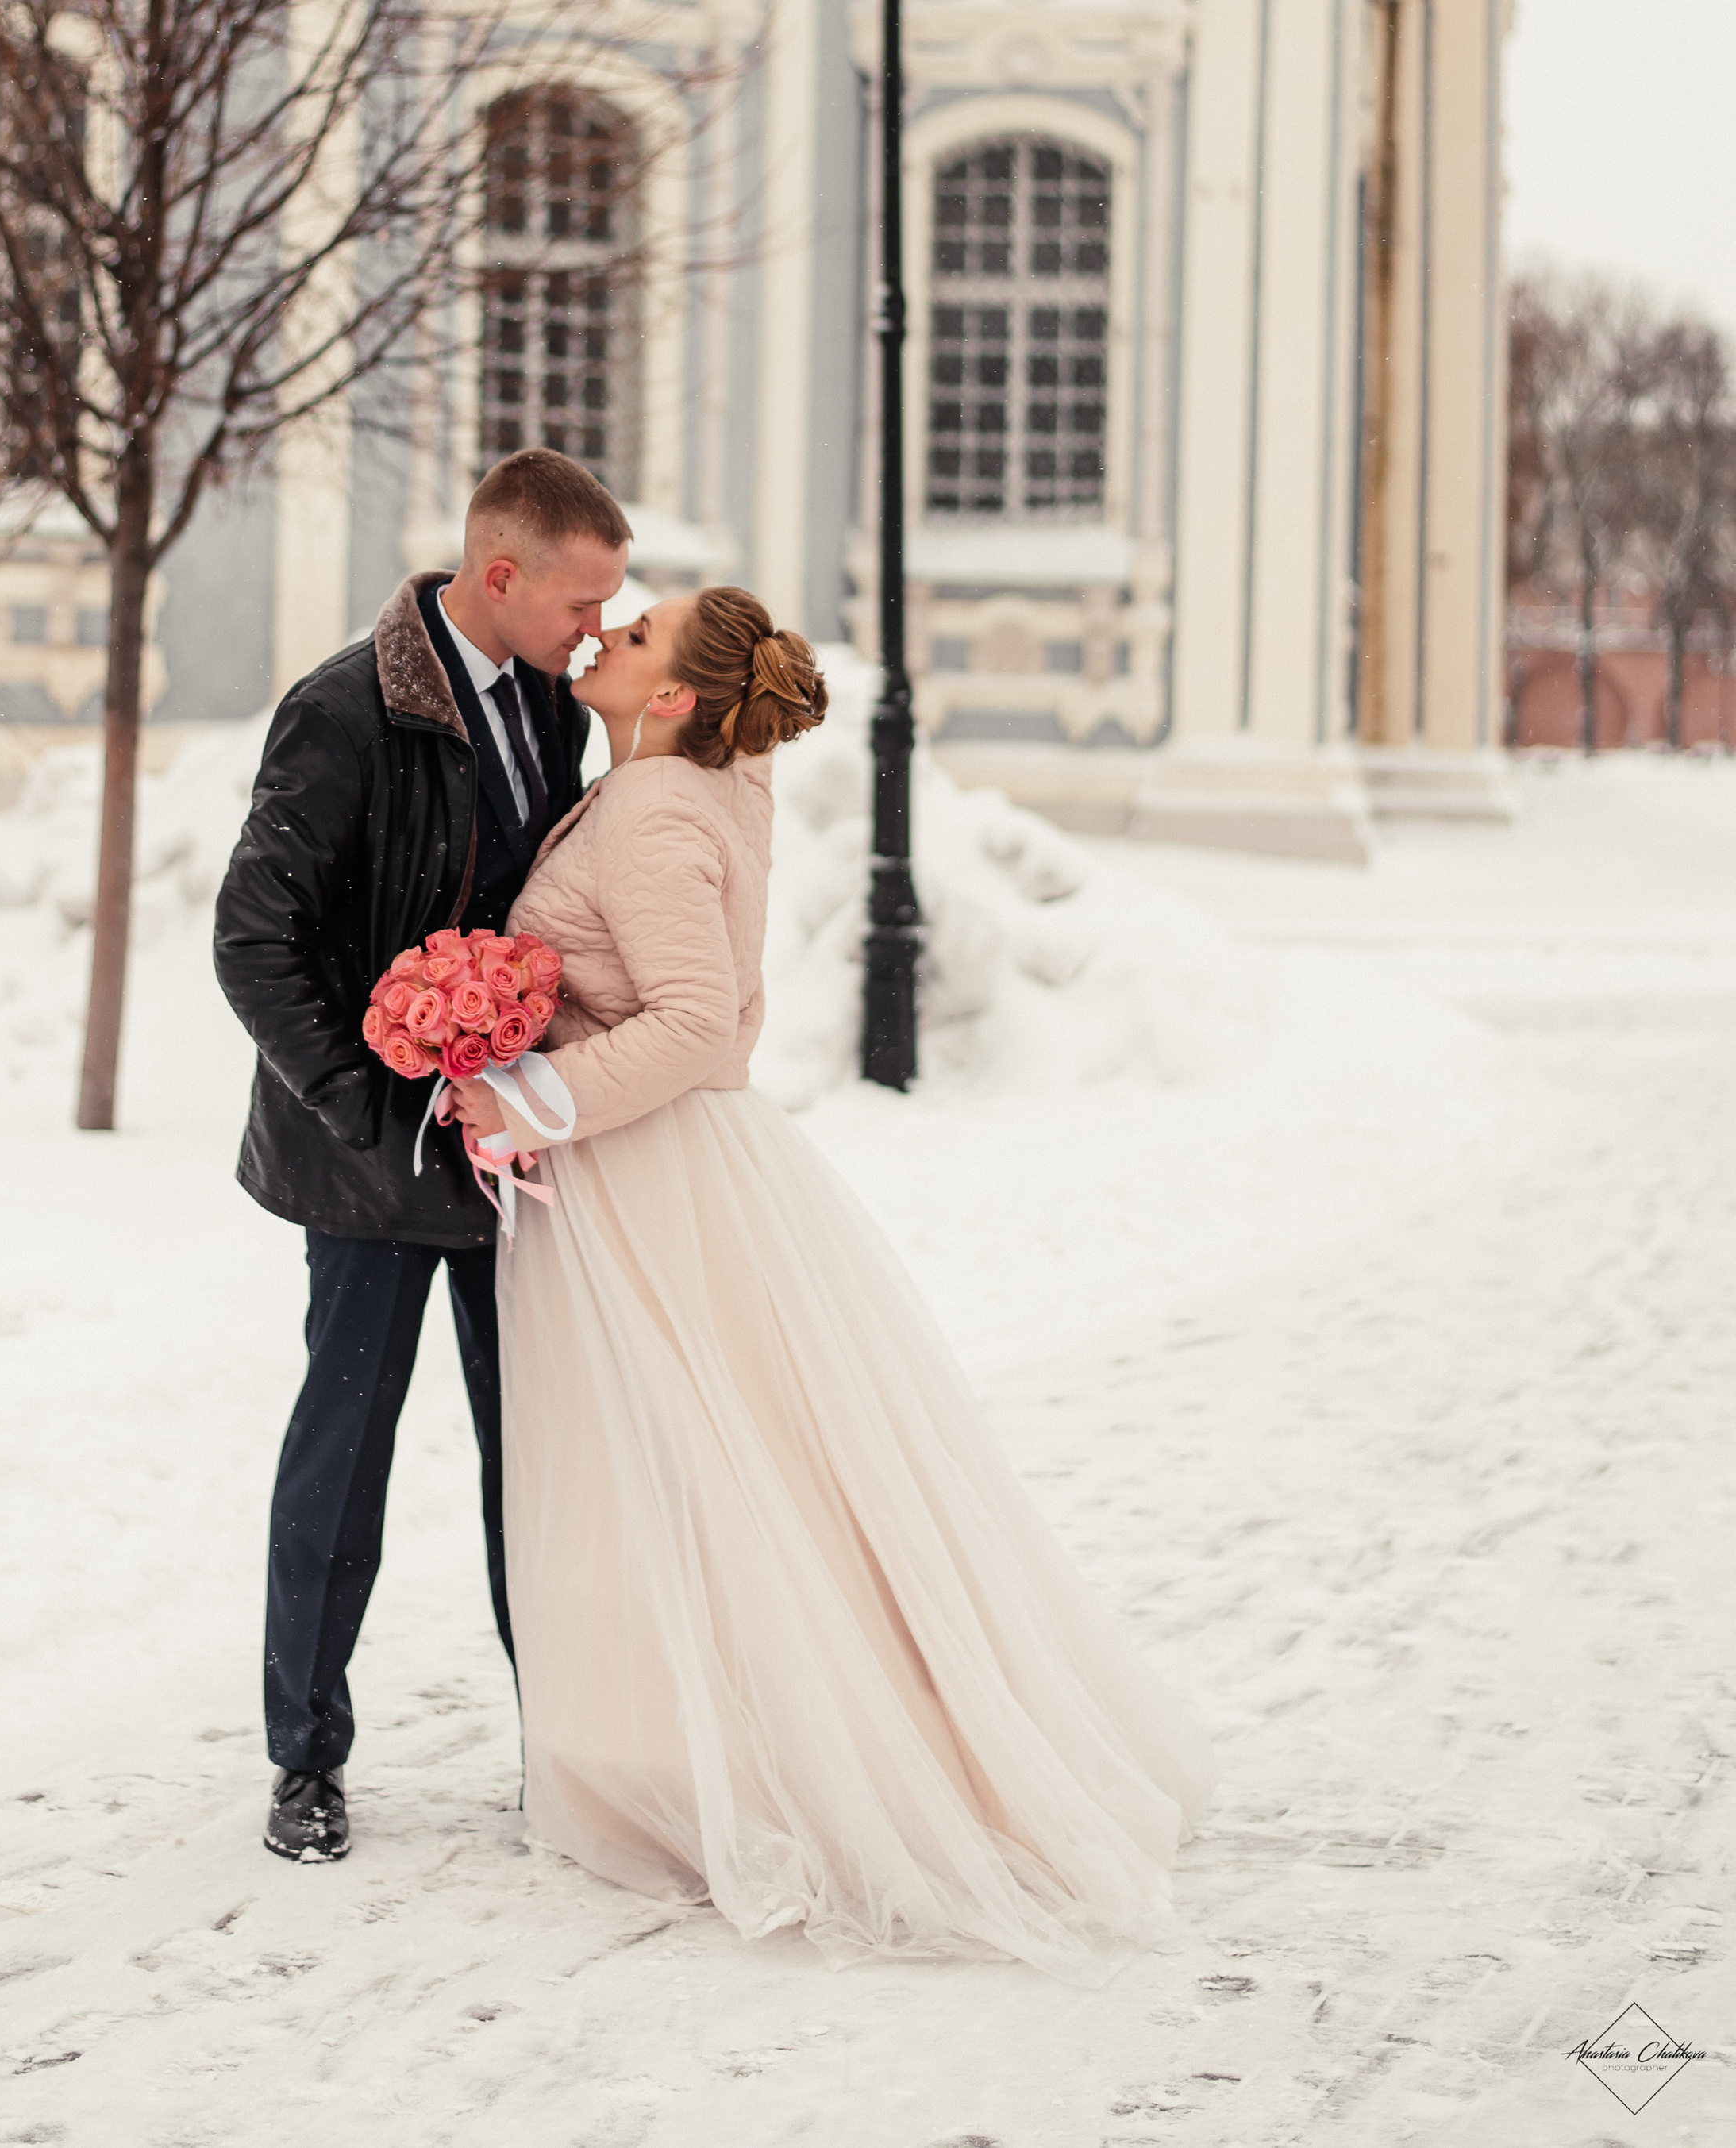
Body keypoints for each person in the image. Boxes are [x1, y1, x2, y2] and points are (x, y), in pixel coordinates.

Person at [453, 585, 1215, 1971]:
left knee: (708, 1464)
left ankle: (750, 1753)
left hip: (652, 1173)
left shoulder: (656, 808)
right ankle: (688, 1732)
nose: (605, 638)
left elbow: (694, 1029)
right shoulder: (700, 787)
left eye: (635, 638)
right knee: (730, 1464)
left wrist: (530, 1096)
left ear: (676, 697)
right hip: (660, 1168)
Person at [213, 447, 629, 1862]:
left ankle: (566, 1753)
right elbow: (252, 942)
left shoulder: (551, 709)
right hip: (372, 1161)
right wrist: (374, 1105)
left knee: (544, 1454)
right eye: (583, 602)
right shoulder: (339, 711)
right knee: (346, 1451)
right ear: (498, 574)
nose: (596, 629)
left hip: (522, 1155)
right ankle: (305, 1759)